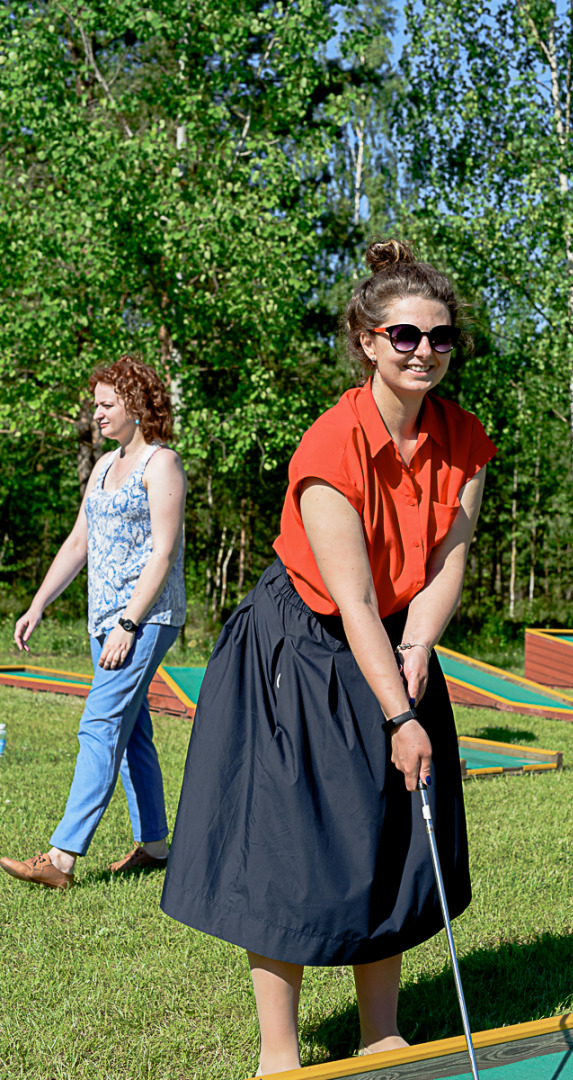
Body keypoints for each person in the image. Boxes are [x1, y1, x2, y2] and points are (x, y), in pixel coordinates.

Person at [161, 239, 497, 1075]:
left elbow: (449, 560)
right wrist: (399, 714)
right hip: (299, 647)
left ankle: (379, 1029)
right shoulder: (330, 447)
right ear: (367, 342)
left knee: (386, 831)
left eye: (441, 336)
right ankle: (280, 1053)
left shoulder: (464, 438)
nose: (425, 351)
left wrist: (419, 645)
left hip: (395, 633)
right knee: (294, 845)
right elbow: (348, 599)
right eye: (405, 337)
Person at [0, 356, 187, 890]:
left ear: (135, 403)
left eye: (107, 404)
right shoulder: (105, 466)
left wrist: (129, 624)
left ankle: (60, 859)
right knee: (132, 734)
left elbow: (163, 553)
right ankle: (154, 845)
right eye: (96, 405)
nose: (96, 414)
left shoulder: (162, 465)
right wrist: (38, 604)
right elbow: (79, 541)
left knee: (100, 724)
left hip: (144, 618)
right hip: (102, 616)